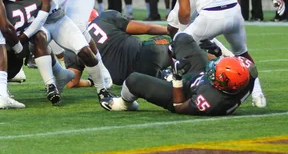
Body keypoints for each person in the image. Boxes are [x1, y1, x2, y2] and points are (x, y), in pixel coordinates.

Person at [166, 0, 285, 107]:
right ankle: (258, 94)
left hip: (209, 16)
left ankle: (183, 81)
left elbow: (185, 10)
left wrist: (182, 24)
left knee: (177, 43)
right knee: (243, 54)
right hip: (234, 12)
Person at [108, 33, 259, 116]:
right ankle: (169, 74)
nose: (211, 71)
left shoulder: (212, 101)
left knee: (134, 80)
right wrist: (219, 55)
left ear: (221, 86)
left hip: (184, 94)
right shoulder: (247, 72)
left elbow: (179, 106)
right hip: (199, 78)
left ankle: (124, 104)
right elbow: (232, 66)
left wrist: (177, 78)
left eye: (214, 74)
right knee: (183, 38)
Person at [66, 10, 170, 89]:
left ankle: (164, 75)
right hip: (146, 56)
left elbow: (71, 83)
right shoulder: (105, 17)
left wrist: (91, 82)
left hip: (129, 81)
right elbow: (147, 29)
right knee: (174, 42)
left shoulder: (71, 46)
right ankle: (173, 72)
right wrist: (170, 30)